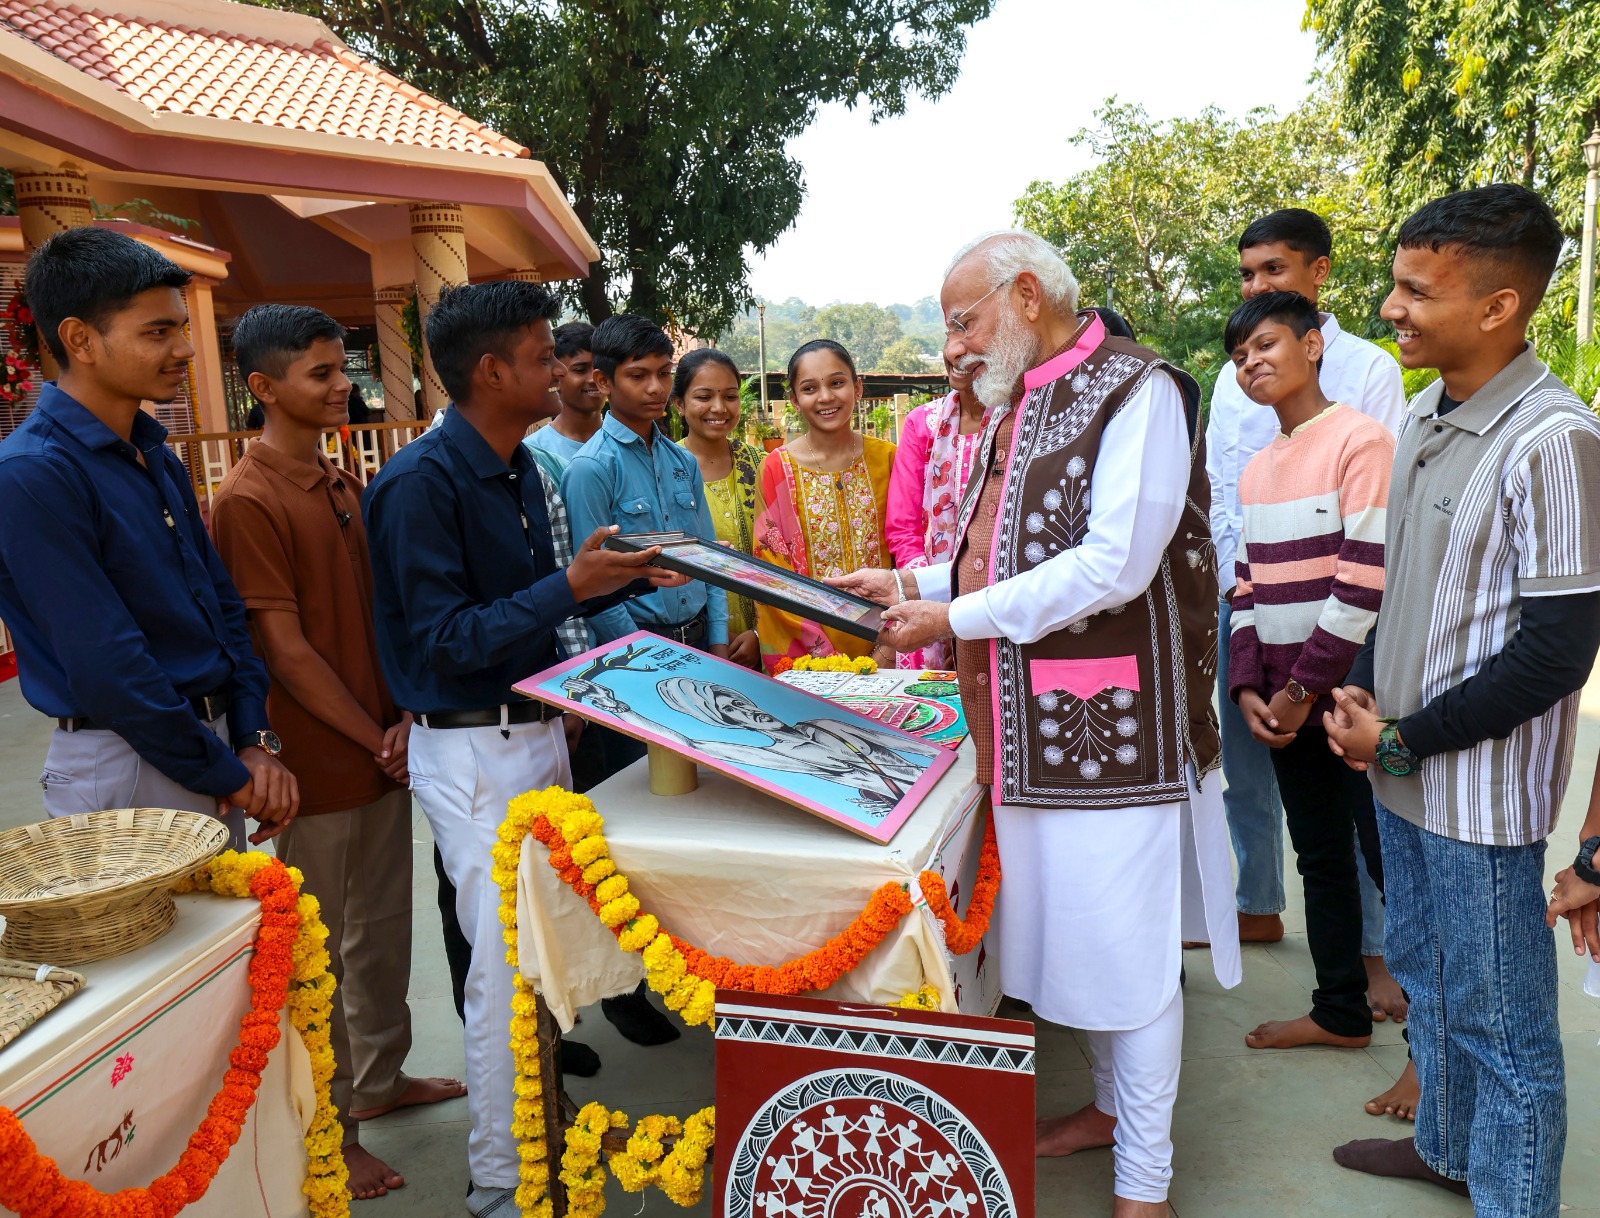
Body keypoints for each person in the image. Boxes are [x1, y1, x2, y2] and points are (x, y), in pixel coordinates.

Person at [831, 231, 1239, 1218]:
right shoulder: (1025, 399)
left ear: (1024, 296)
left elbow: (1113, 565)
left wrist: (952, 616)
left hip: (1115, 738)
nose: (952, 347)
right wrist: (909, 582)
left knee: (1130, 957)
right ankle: (1106, 1112)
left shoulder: (1138, 389)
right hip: (1026, 732)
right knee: (1078, 943)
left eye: (963, 322)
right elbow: (993, 554)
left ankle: (1146, 1184)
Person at [364, 280, 685, 1218]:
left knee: (540, 961)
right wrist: (568, 589)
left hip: (537, 732)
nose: (563, 370)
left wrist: (603, 581)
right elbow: (441, 646)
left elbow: (532, 611)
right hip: (472, 751)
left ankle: (536, 1122)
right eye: (547, 356)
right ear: (494, 370)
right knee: (502, 973)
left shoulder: (519, 471)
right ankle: (500, 1179)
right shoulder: (418, 486)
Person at [1324, 184, 1600, 1215]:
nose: (1390, 307)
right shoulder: (1423, 413)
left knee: (1506, 1029)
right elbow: (1405, 590)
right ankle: (1444, 1146)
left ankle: (1512, 1199)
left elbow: (1556, 652)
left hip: (1476, 803)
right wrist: (1361, 695)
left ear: (1498, 308)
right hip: (1401, 771)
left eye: (1413, 291)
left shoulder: (1554, 439)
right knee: (1429, 982)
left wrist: (1403, 738)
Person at [211, 304, 465, 1200]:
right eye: (319, 373)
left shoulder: (341, 481)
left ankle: (382, 1080)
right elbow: (282, 651)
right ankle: (332, 1125)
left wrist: (397, 726)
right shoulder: (248, 498)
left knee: (382, 935)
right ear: (263, 387)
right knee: (319, 953)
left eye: (338, 369)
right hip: (313, 770)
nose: (340, 386)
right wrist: (375, 734)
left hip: (379, 751)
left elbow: (379, 621)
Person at [0, 227, 296, 851]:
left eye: (182, 329)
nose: (185, 350)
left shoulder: (152, 453)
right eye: (158, 332)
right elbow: (108, 664)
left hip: (206, 747)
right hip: (125, 760)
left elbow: (223, 610)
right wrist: (227, 772)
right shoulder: (33, 474)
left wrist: (250, 737)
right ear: (80, 339)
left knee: (237, 944)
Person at [1203, 207, 1410, 1031]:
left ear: (1314, 341)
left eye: (1268, 346)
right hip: (1282, 689)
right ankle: (1337, 1011)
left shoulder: (1361, 439)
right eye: (1241, 354)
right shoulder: (1260, 467)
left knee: (1386, 854)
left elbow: (1362, 581)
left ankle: (1427, 1039)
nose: (1252, 364)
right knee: (1318, 851)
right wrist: (1251, 687)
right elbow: (1247, 579)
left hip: (1344, 680)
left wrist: (1296, 694)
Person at [562, 315, 730, 661]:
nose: (656, 387)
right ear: (603, 381)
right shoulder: (590, 468)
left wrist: (718, 642)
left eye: (664, 373)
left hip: (700, 643)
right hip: (634, 653)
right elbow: (592, 586)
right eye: (638, 375)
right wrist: (645, 653)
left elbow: (711, 559)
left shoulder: (683, 462)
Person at [754, 340, 897, 673]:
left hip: (892, 646)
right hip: (808, 662)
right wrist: (826, 664)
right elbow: (772, 573)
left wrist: (888, 650)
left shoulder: (890, 459)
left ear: (857, 387)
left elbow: (909, 553)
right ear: (794, 400)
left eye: (836, 382)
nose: (826, 397)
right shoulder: (776, 469)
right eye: (809, 388)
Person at [884, 357, 989, 670]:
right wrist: (932, 611)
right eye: (950, 332)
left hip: (999, 608)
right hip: (926, 610)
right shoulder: (923, 424)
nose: (956, 349)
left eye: (968, 328)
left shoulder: (1021, 420)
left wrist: (965, 617)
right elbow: (903, 528)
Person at [673, 348, 762, 668]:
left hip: (766, 649)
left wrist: (760, 633)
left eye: (730, 396)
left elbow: (789, 563)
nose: (719, 408)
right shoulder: (662, 472)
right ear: (679, 404)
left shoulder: (764, 468)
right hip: (690, 648)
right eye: (704, 396)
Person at [525, 320, 603, 468]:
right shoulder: (534, 453)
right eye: (580, 370)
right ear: (556, 374)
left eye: (599, 369)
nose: (594, 379)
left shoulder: (627, 443)